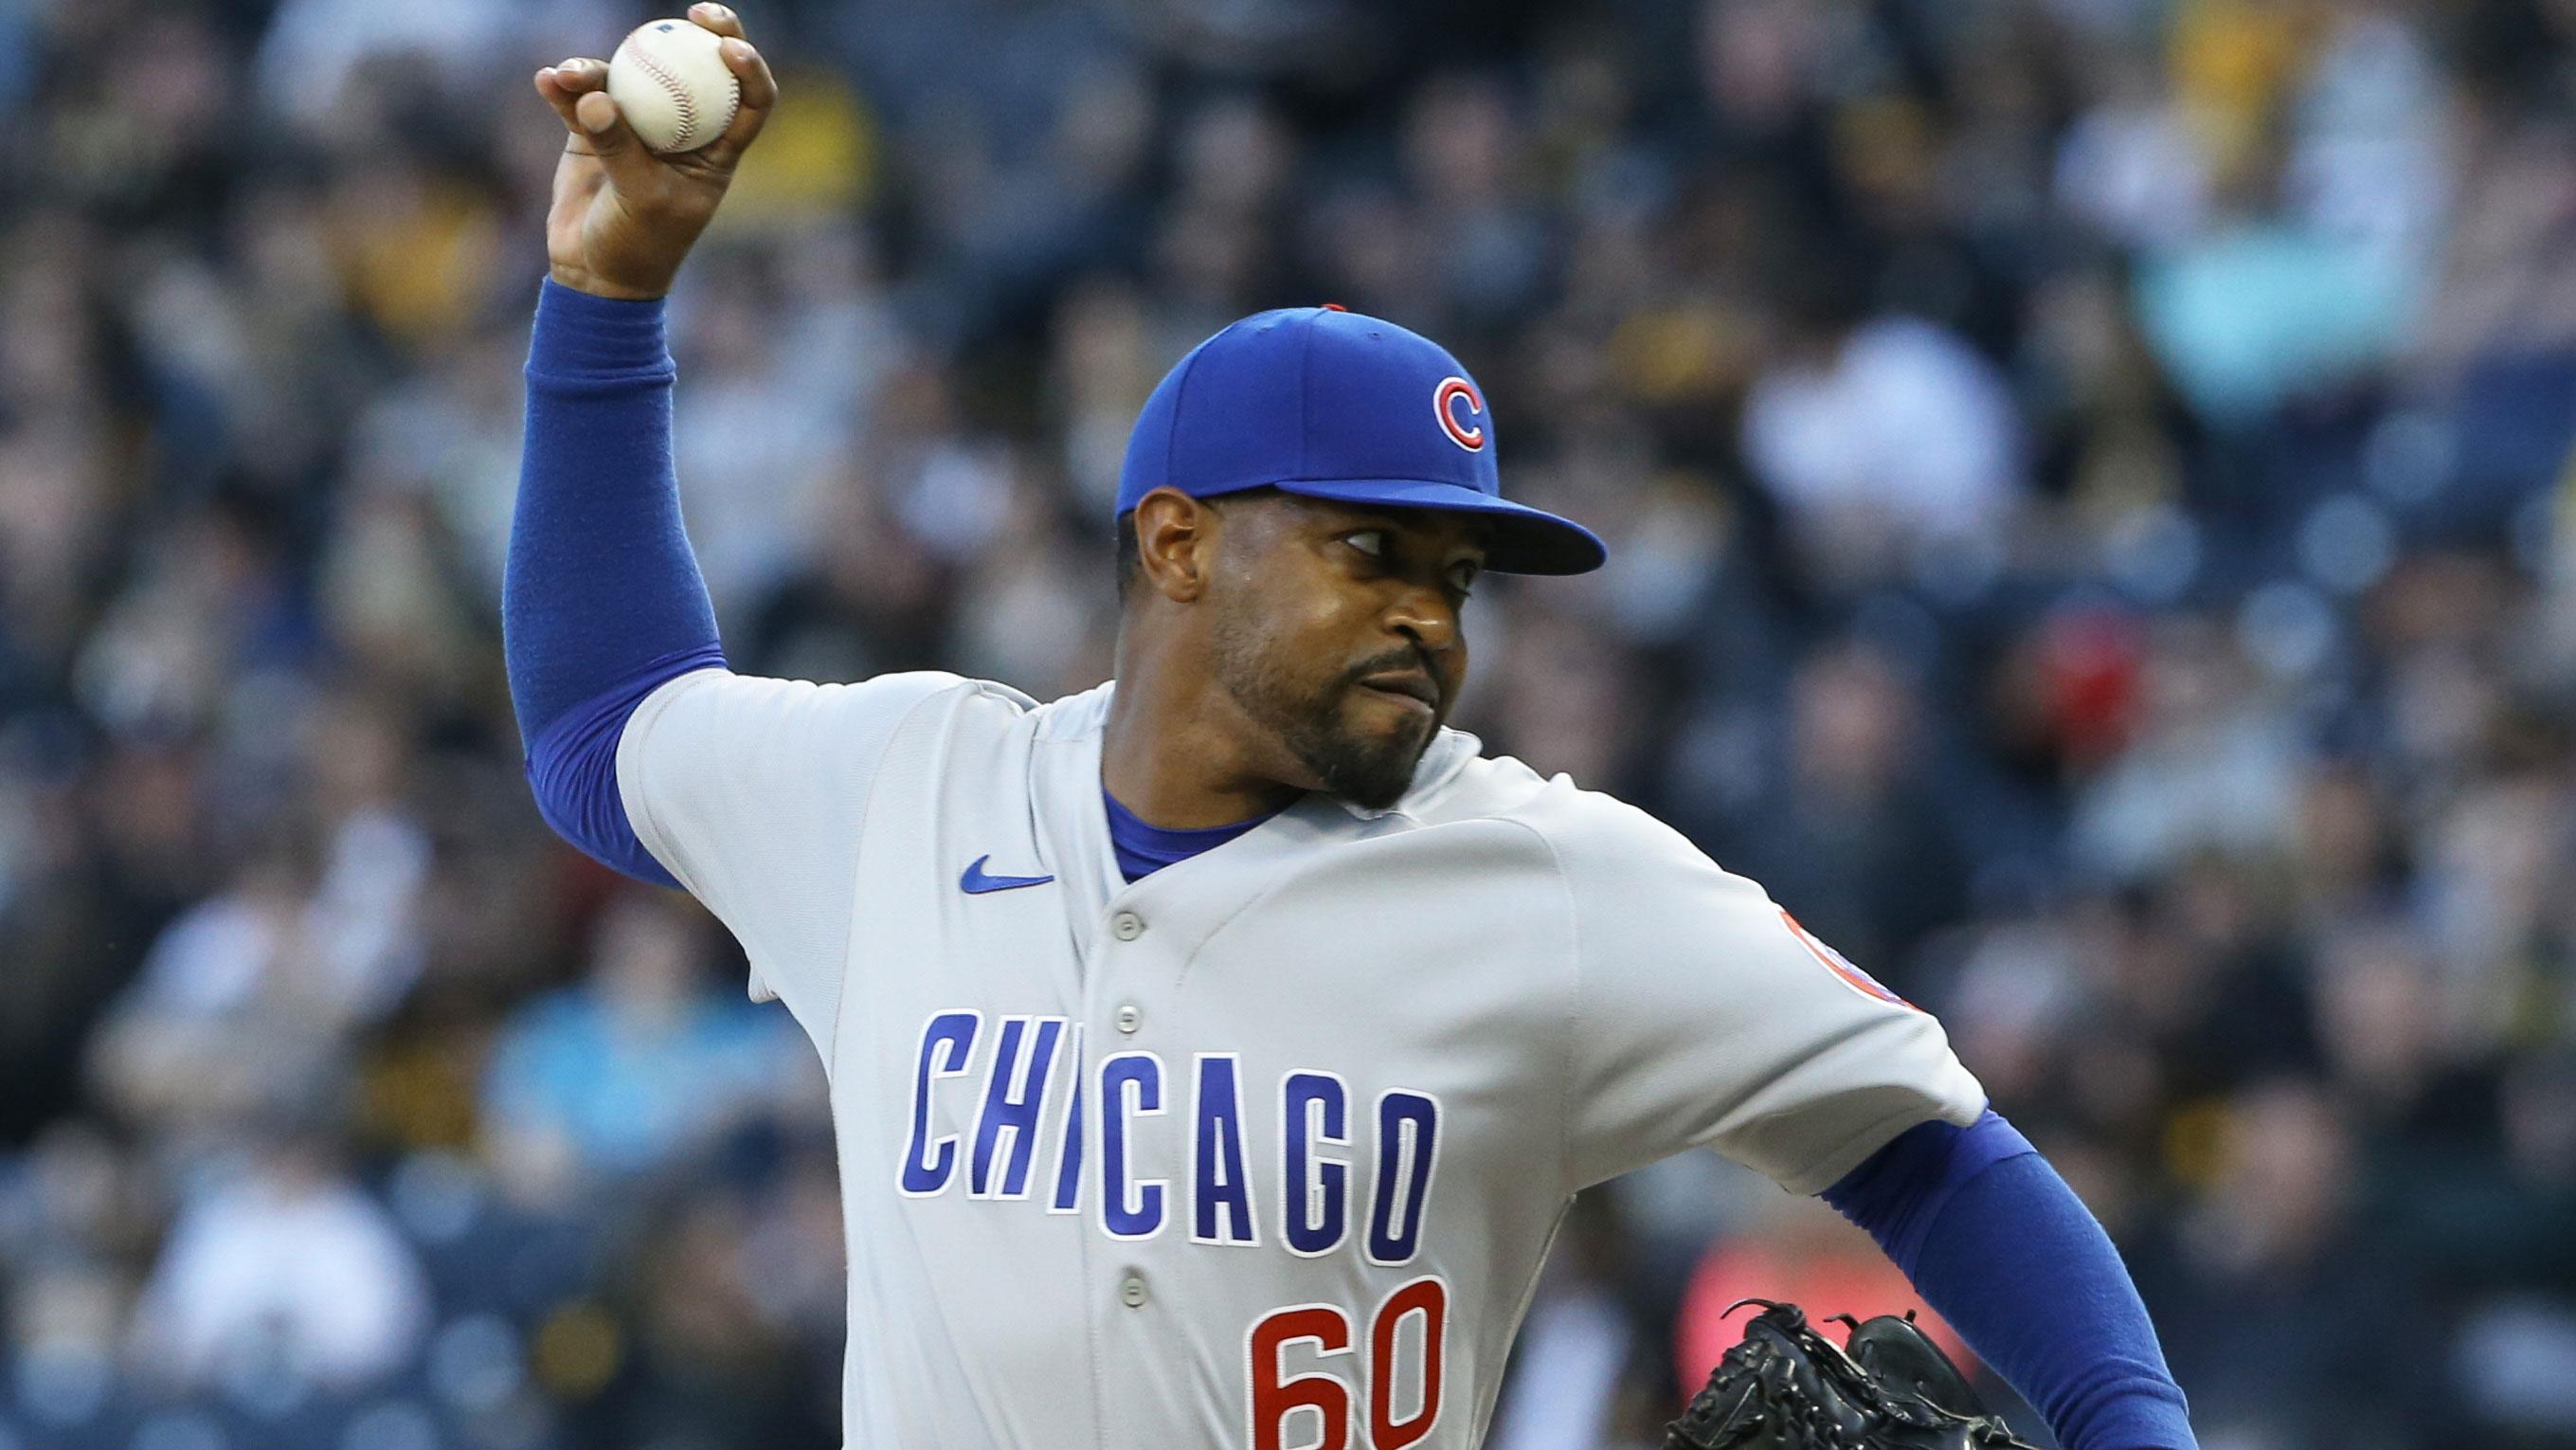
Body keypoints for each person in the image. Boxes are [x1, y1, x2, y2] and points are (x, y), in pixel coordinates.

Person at [504, 9, 2197, 1446]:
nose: (1429, 617)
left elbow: (1934, 1150)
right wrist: (608, 301)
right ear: (1176, 543)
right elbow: (607, 729)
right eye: (1369, 550)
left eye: (1458, 574)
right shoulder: (909, 787)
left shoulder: (1548, 881)